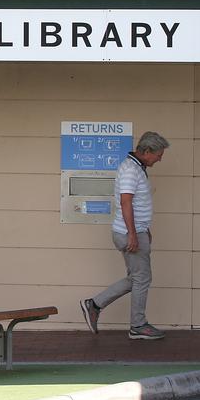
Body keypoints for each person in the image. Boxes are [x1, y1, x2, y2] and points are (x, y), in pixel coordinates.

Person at [80, 131, 170, 340]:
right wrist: (133, 234)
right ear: (146, 151)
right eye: (158, 154)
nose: (160, 158)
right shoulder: (131, 170)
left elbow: (135, 203)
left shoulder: (136, 167)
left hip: (136, 230)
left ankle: (94, 304)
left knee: (137, 278)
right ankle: (137, 325)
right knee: (142, 278)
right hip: (130, 233)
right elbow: (126, 202)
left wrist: (144, 228)